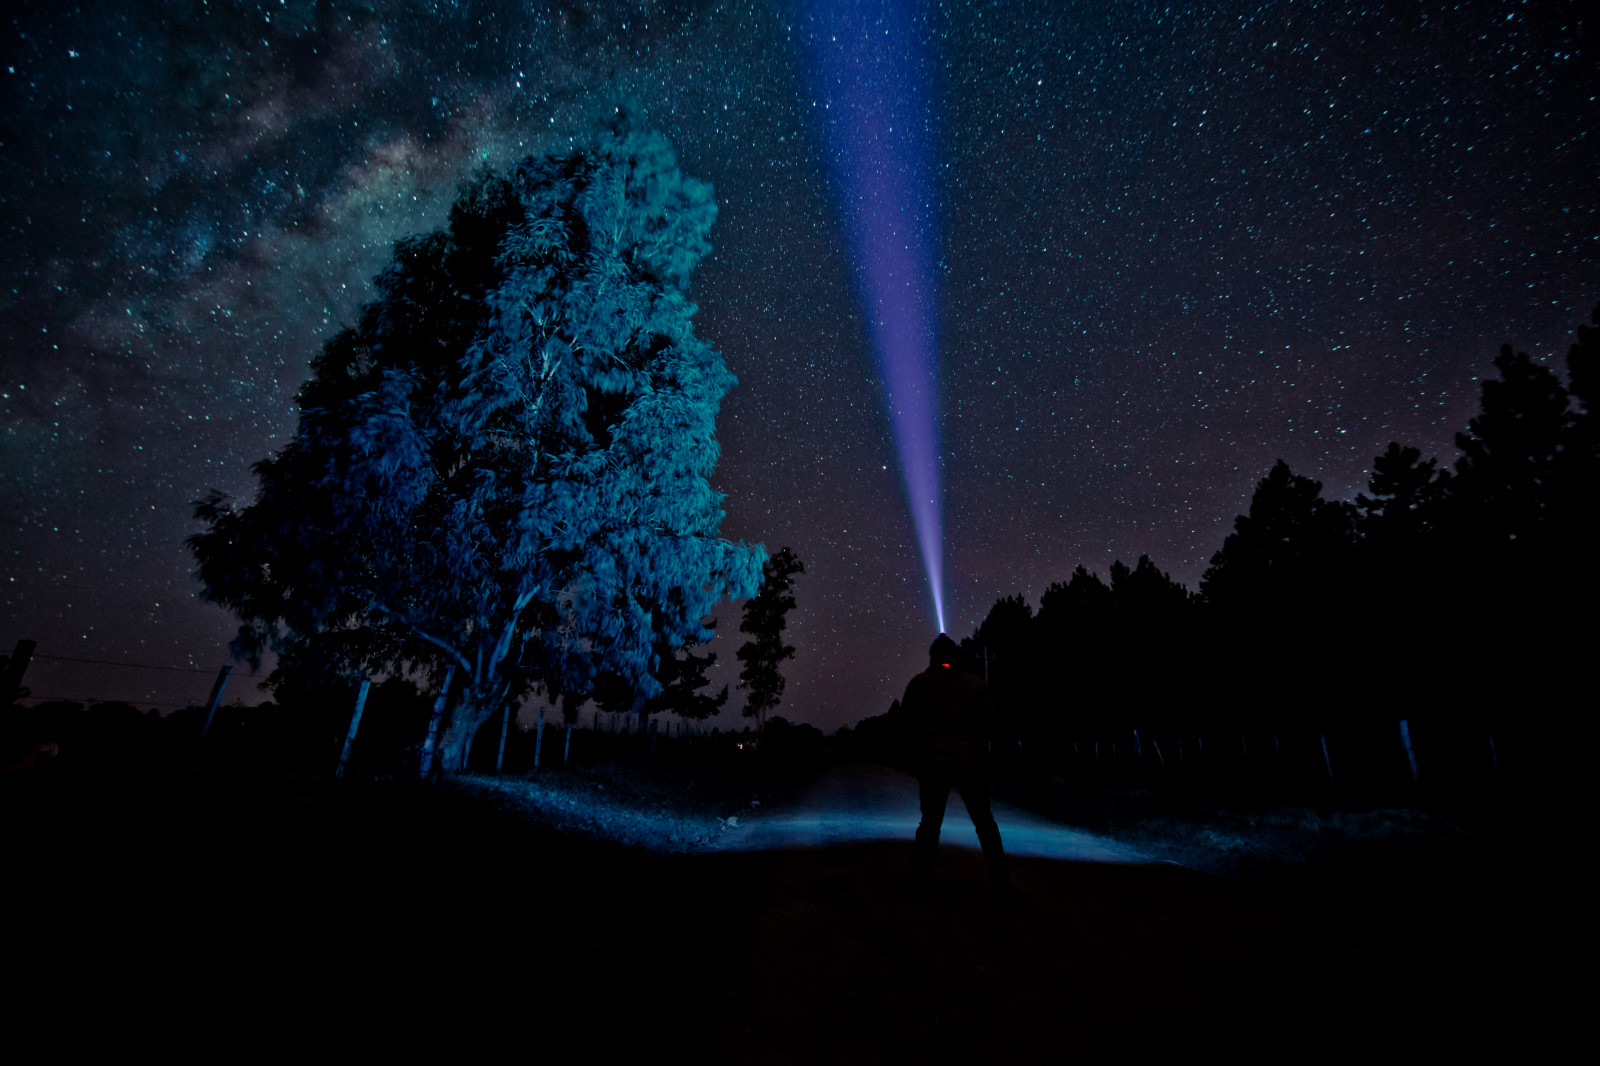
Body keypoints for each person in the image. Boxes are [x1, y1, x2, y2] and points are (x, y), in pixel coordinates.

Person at [902, 633, 1014, 898]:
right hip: (969, 762)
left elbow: (908, 724)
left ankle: (919, 884)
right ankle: (1002, 883)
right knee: (985, 824)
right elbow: (991, 723)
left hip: (933, 763)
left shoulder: (919, 684)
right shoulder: (973, 684)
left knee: (929, 824)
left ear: (931, 656)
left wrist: (917, 756)